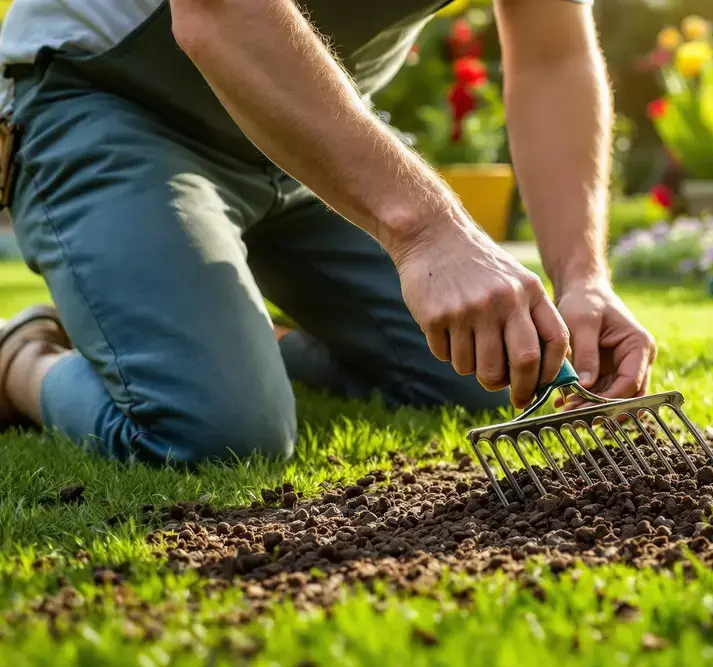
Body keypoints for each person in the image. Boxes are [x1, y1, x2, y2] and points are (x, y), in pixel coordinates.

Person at [0, 0, 657, 464]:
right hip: (106, 102)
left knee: (487, 367)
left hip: (304, 134)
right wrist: (429, 231)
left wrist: (583, 277)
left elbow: (553, 56)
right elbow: (220, 14)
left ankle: (232, 336)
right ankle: (20, 360)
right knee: (215, 433)